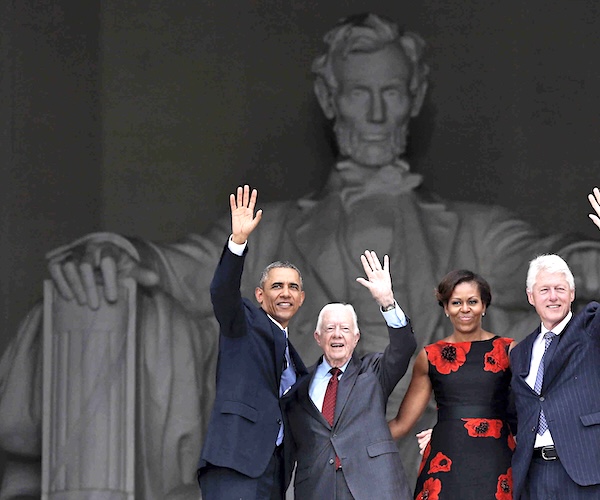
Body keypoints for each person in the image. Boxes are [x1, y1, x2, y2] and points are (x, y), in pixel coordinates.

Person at [2, 13, 600, 497]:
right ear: (328, 96)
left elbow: (550, 261)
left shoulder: (478, 229)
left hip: (432, 444)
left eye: (390, 92)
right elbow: (187, 266)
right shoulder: (277, 227)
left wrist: (586, 256)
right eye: (359, 92)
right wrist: (123, 251)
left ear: (414, 97)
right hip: (314, 443)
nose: (374, 113)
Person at [197, 184, 307, 499]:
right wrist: (238, 242)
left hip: (273, 473)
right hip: (235, 463)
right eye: (276, 286)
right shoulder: (243, 322)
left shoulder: (295, 358)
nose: (285, 293)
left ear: (301, 298)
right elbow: (222, 291)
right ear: (260, 295)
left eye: (292, 287)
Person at [285, 250, 417, 499]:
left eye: (345, 329)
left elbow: (404, 348)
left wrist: (387, 302)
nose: (337, 335)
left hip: (374, 486)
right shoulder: (300, 384)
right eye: (330, 328)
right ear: (318, 338)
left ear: (356, 338)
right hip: (317, 489)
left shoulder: (374, 372)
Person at [388, 269, 516, 500]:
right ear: (446, 308)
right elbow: (401, 423)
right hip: (446, 459)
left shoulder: (508, 350)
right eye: (456, 302)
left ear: (484, 306)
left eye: (473, 302)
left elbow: (531, 406)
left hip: (496, 460)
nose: (464, 309)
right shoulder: (430, 356)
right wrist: (354, 442)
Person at [509, 187, 600, 499]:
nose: (553, 296)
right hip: (534, 475)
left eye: (561, 288)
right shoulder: (520, 352)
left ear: (573, 294)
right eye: (544, 289)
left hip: (585, 471)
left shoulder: (590, 327)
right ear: (530, 297)